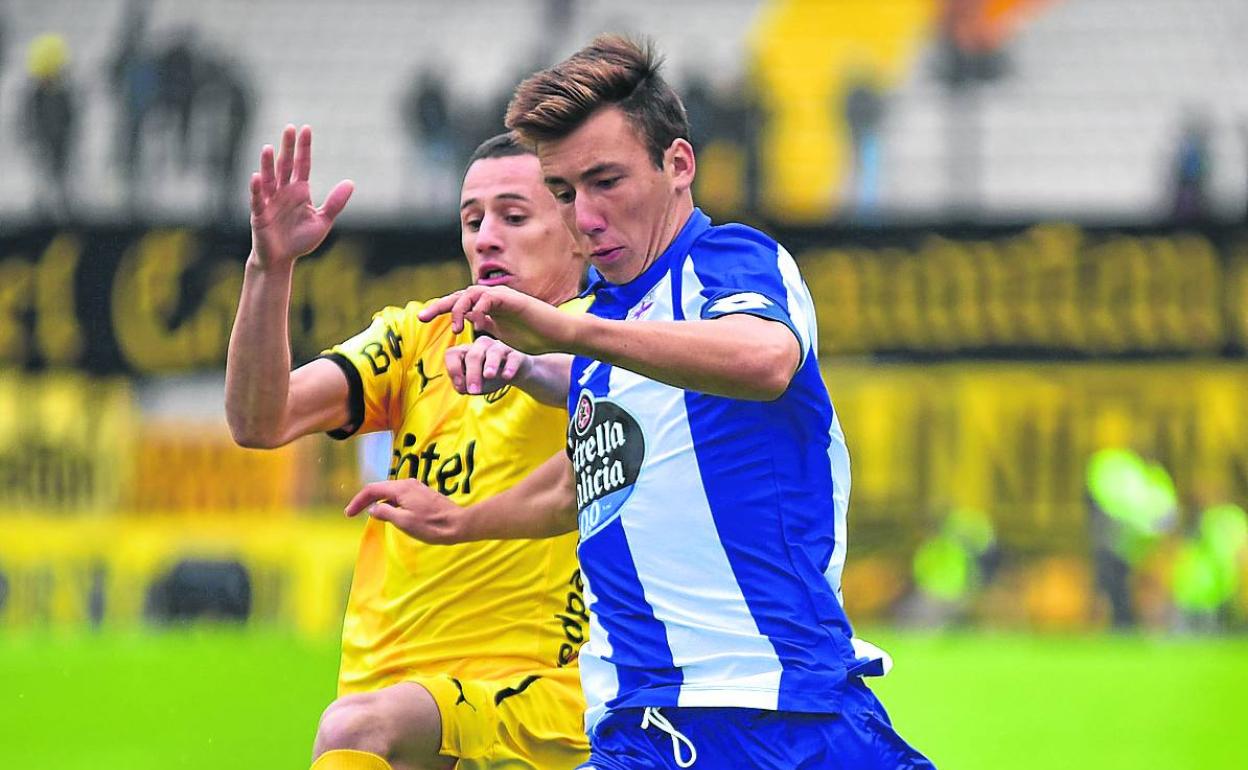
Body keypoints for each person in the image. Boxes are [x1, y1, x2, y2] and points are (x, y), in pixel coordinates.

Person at [346, 35, 934, 770]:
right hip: (641, 726)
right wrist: (466, 515)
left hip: (781, 710)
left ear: (678, 165)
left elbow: (766, 359)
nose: (582, 216)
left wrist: (565, 332)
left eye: (605, 182)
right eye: (563, 193)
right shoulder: (607, 328)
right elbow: (586, 479)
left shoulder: (728, 263)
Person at [224, 125, 592, 770]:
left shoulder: (611, 337)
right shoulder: (419, 335)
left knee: (359, 729)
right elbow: (260, 419)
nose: (485, 237)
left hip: (534, 691)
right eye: (471, 219)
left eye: (513, 215)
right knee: (362, 724)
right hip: (394, 687)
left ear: (576, 225)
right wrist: (269, 268)